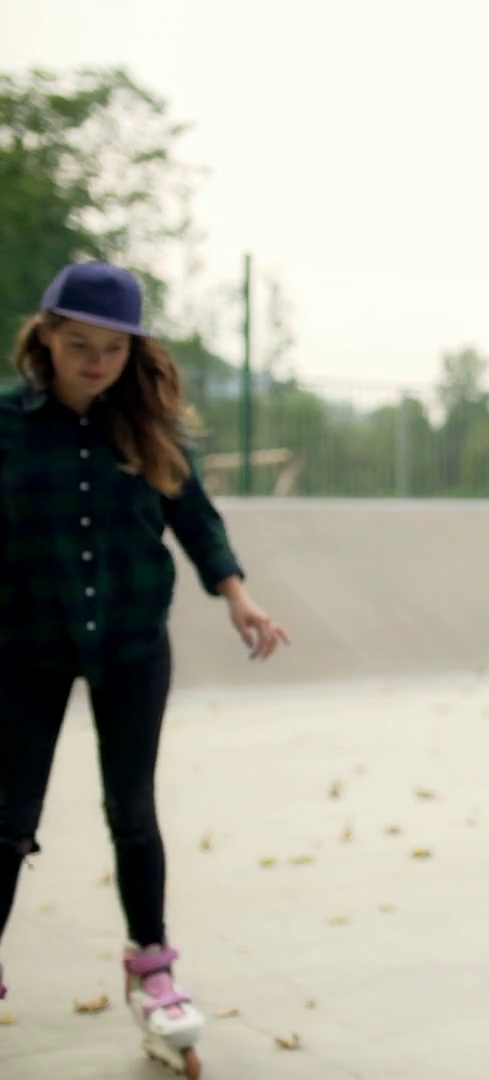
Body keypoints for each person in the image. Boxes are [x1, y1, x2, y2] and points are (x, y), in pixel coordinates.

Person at [0, 262, 291, 1073]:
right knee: (7, 818)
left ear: (134, 351)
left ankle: (153, 971)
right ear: (46, 339)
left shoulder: (149, 427)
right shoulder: (7, 424)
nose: (95, 363)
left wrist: (239, 599)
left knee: (132, 812)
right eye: (78, 345)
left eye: (113, 349)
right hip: (26, 642)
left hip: (131, 642)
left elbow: (195, 519)